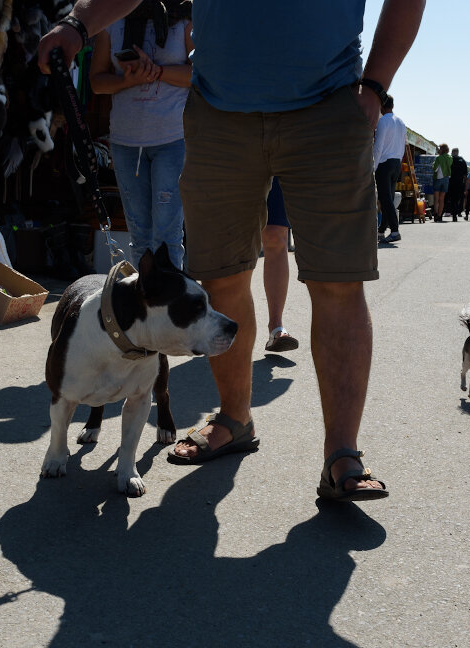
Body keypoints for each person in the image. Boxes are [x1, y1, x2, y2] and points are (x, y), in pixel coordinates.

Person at [42, 0, 425, 501]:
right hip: (220, 113)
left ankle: (342, 455)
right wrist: (80, 23)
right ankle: (233, 421)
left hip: (328, 107)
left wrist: (374, 86)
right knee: (219, 277)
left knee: (338, 281)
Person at [88, 0, 193, 268]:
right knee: (139, 236)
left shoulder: (185, 13)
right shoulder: (111, 17)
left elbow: (199, 74)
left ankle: (168, 307)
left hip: (172, 137)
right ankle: (144, 304)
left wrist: (158, 71)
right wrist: (126, 81)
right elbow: (97, 81)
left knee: (167, 235)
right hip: (126, 140)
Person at [262, 178, 299, 352]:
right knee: (231, 240)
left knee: (275, 235)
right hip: (235, 156)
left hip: (277, 157)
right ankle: (223, 321)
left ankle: (276, 327)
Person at [373, 93, 407, 243]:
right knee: (389, 198)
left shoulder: (383, 122)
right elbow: (403, 146)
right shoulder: (401, 122)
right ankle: (381, 230)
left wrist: (373, 166)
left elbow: (378, 146)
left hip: (384, 163)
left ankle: (394, 230)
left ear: (381, 105)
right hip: (396, 162)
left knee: (385, 198)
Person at [432, 143, 452, 222]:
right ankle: (440, 215)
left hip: (438, 178)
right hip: (446, 178)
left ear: (442, 149)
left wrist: (433, 164)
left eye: (439, 148)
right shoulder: (450, 158)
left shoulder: (439, 158)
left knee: (436, 198)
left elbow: (435, 169)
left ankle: (436, 214)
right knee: (442, 199)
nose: (438, 149)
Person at [447, 147, 468, 221]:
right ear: (458, 152)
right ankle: (455, 214)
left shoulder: (450, 159)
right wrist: (465, 186)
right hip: (460, 183)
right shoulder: (462, 160)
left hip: (450, 181)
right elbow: (465, 175)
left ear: (452, 152)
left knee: (451, 198)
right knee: (457, 199)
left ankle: (450, 213)